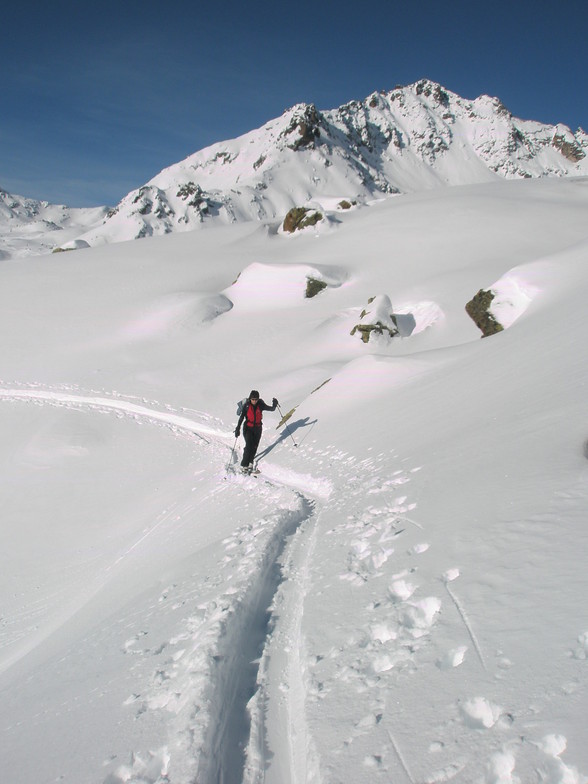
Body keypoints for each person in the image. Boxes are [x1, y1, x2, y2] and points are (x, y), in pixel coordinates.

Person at [235, 390, 278, 473]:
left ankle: (251, 461)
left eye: (256, 399)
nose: (254, 401)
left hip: (258, 428)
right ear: (250, 399)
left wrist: (274, 404)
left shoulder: (260, 405)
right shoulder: (246, 406)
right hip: (248, 428)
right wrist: (237, 428)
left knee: (254, 446)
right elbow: (241, 418)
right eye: (253, 399)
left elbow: (271, 409)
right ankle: (244, 465)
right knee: (248, 446)